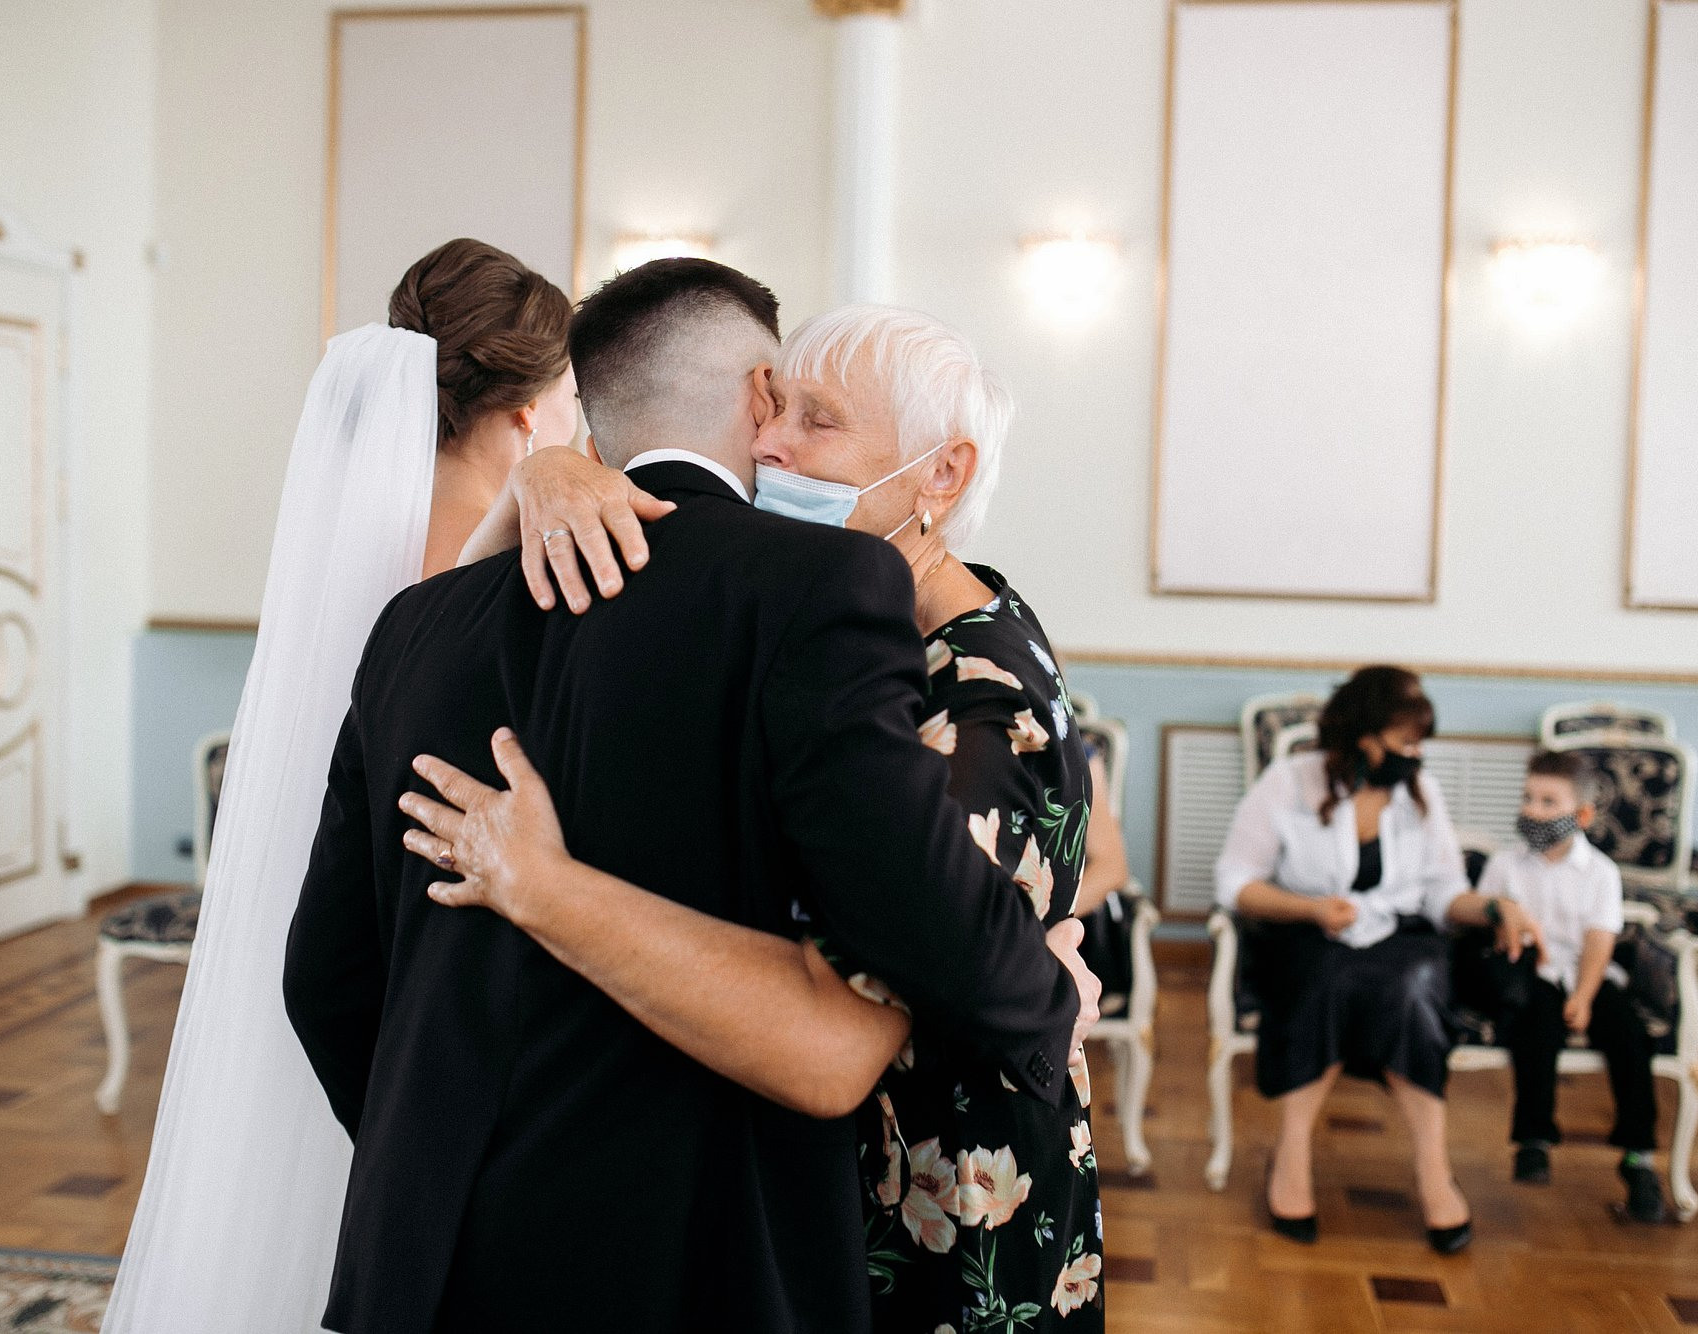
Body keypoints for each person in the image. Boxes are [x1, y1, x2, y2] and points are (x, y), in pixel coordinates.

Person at [281, 260, 1093, 1333]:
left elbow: (323, 978)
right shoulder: (816, 597)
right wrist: (1050, 990)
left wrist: (435, 1158)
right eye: (786, 410)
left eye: (820, 419)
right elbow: (901, 983)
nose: (783, 447)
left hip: (430, 1256)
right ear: (753, 399)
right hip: (704, 1254)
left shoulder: (415, 628)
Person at [102, 238, 667, 1333]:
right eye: (565, 403)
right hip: (455, 1007)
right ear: (521, 417)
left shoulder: (352, 558)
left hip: (335, 976)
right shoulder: (501, 594)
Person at [1213, 665, 1474, 1253]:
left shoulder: (1419, 792)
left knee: (1411, 986)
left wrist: (1490, 910)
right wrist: (1309, 910)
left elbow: (1444, 888)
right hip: (1305, 935)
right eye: (1405, 741)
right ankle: (1292, 1155)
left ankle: (1435, 1172)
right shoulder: (1288, 782)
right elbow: (1235, 880)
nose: (1416, 754)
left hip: (1399, 936)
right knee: (1326, 978)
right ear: (1363, 735)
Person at [1445, 750, 1666, 1222]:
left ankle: (1638, 1156)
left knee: (1627, 1036)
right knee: (1536, 1029)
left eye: (1548, 802)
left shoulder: (1601, 874)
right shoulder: (1507, 865)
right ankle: (1533, 1139)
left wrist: (1585, 997)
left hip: (1589, 973)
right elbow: (1488, 919)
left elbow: (1599, 941)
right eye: (1529, 799)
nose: (1533, 811)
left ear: (1581, 815)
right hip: (1533, 973)